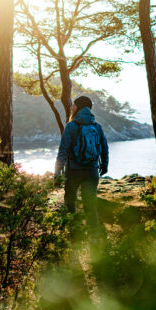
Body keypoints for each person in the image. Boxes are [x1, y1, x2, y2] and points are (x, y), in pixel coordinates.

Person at [54, 95, 109, 228]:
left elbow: (63, 151)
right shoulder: (97, 126)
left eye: (74, 104)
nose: (71, 107)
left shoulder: (71, 126)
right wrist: (104, 165)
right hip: (92, 171)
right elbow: (104, 148)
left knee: (70, 202)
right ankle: (94, 235)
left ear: (78, 107)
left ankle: (74, 232)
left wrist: (57, 172)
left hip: (73, 171)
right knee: (90, 204)